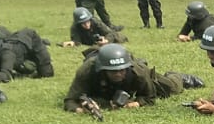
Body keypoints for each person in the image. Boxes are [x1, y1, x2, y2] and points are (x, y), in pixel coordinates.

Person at [61, 43, 192, 112]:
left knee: (171, 88)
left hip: (138, 74)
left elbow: (150, 98)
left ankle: (179, 77)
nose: (118, 74)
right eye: (113, 71)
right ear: (103, 69)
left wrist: (136, 103)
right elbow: (70, 100)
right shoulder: (87, 71)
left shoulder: (138, 72)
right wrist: (81, 110)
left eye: (121, 70)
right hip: (103, 89)